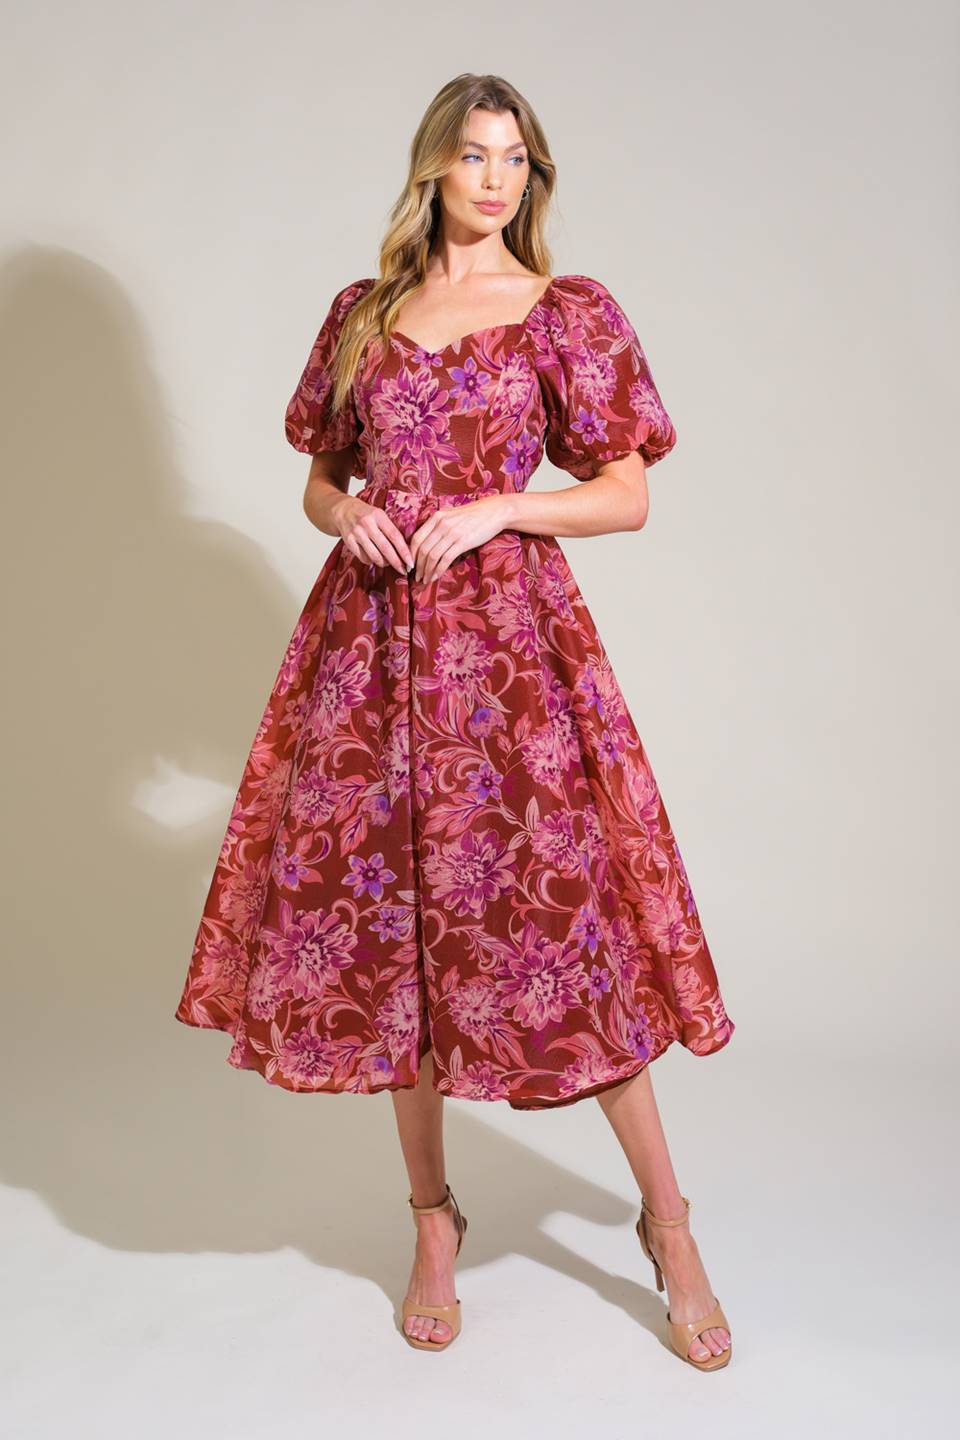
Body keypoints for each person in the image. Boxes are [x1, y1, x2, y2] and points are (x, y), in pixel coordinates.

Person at [175, 72, 736, 1370]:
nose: (496, 178)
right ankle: (433, 1220)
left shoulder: (563, 312)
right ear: (432, 165)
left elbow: (626, 496)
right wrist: (349, 516)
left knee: (567, 932)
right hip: (369, 657)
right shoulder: (362, 317)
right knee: (401, 942)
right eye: (475, 155)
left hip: (512, 660)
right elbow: (321, 480)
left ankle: (670, 1225)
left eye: (517, 160)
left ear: (532, 179)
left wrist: (500, 509)